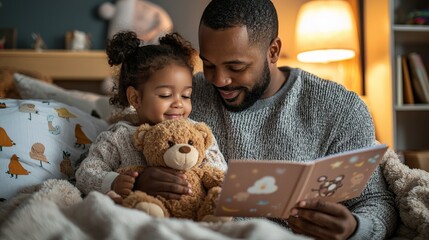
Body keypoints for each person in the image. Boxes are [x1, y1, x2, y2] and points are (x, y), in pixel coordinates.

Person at [132, 0, 398, 239]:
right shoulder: (184, 97)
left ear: (273, 51)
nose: (218, 80)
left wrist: (355, 228)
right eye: (209, 65)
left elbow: (377, 200)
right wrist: (139, 180)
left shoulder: (341, 108)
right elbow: (126, 149)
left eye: (236, 67)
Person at [75, 31, 227, 199]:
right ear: (135, 98)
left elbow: (220, 173)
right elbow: (85, 173)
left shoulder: (198, 133)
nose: (178, 103)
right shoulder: (118, 137)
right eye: (165, 95)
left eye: (186, 96)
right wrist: (114, 182)